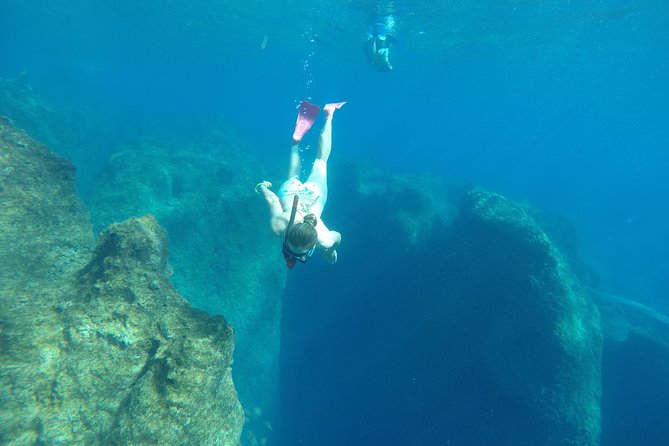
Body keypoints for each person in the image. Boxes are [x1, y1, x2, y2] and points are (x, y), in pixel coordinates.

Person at [256, 100, 344, 268]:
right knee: (297, 172)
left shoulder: (323, 240)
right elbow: (272, 200)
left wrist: (331, 249)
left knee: (321, 162)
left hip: (314, 195)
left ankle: (329, 115)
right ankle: (295, 143)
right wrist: (262, 188)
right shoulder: (278, 226)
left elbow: (338, 237)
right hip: (290, 192)